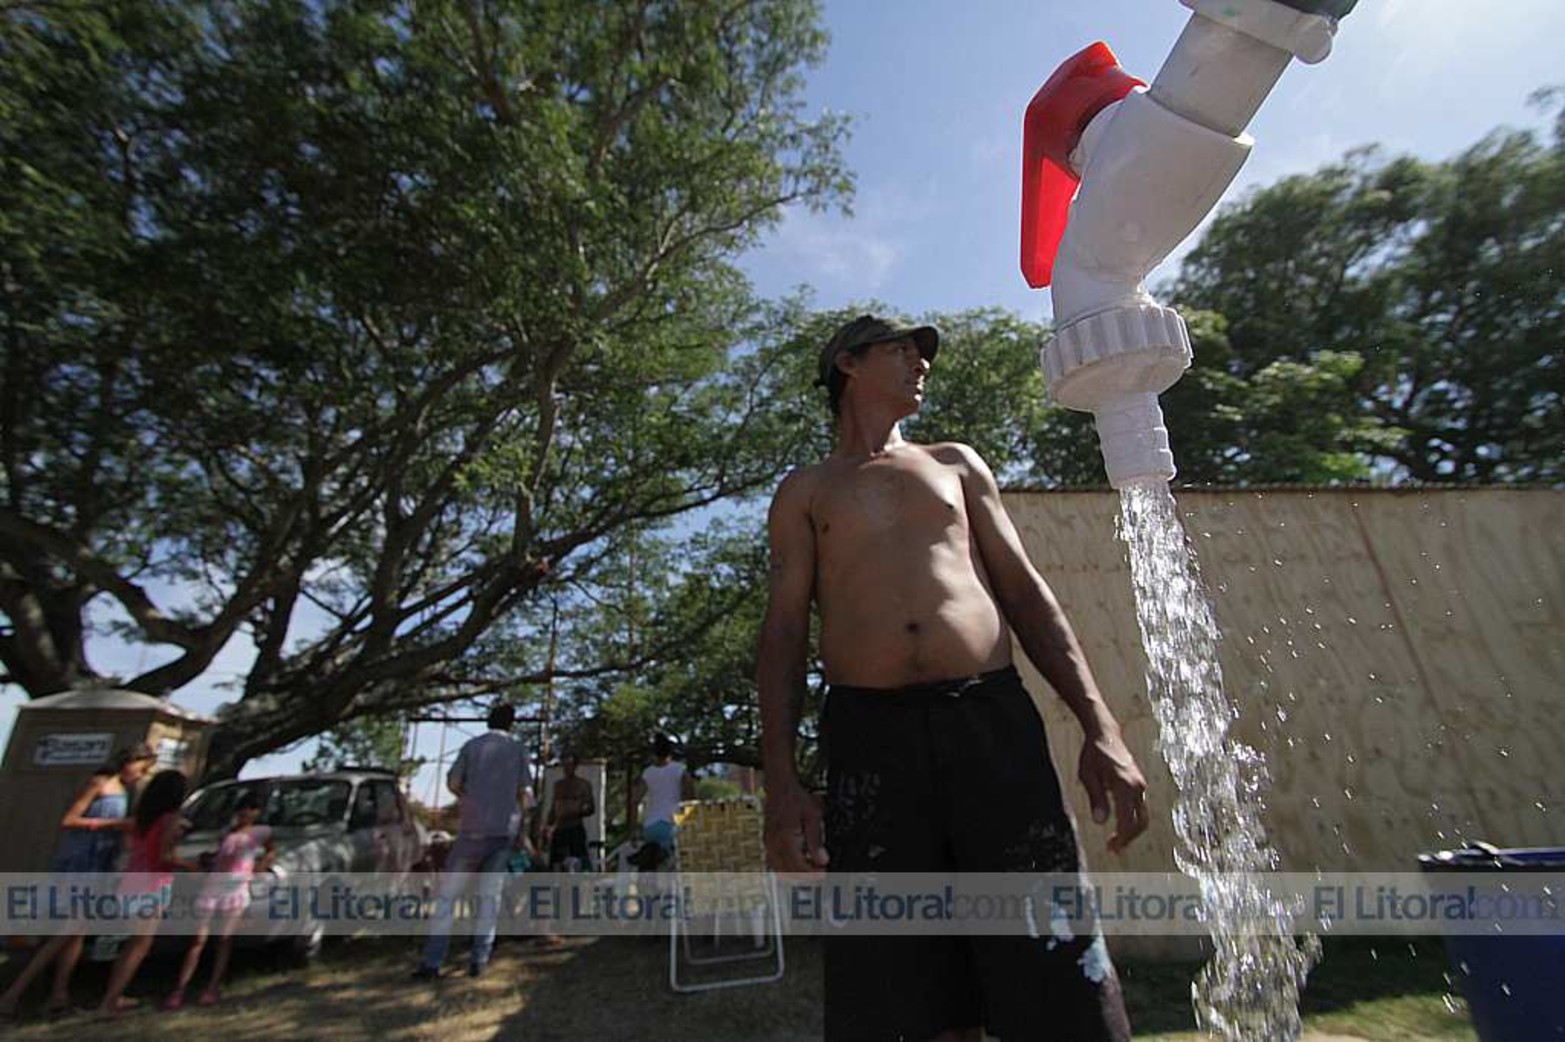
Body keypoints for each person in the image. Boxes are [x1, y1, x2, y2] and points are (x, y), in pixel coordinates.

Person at [758, 315, 1149, 1042]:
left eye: (920, 352)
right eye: (901, 350)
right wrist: (781, 787)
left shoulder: (954, 465)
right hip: (870, 741)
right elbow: (782, 636)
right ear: (848, 363)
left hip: (989, 722)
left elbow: (1027, 597)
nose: (920, 363)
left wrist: (1102, 728)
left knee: (1050, 949)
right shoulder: (806, 491)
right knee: (898, 979)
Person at [0, 743, 157, 1021]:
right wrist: (111, 825)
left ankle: (58, 995)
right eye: (141, 767)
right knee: (67, 932)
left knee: (76, 934)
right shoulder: (99, 783)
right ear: (129, 761)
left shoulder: (124, 790)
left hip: (100, 863)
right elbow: (70, 819)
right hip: (80, 862)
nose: (141, 774)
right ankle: (13, 994)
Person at [412, 701, 530, 980]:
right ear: (511, 723)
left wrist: (469, 797)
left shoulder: (472, 747)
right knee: (489, 897)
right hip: (503, 832)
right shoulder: (518, 750)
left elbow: (453, 781)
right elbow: (525, 793)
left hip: (473, 831)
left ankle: (433, 960)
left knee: (448, 898)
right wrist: (521, 825)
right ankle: (479, 959)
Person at [97, 769, 200, 1018]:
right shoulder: (170, 818)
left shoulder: (143, 817)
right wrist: (192, 866)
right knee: (140, 946)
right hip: (152, 886)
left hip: (131, 881)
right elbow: (164, 857)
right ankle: (108, 1005)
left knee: (131, 944)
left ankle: (113, 995)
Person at [162, 790, 275, 1010]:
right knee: (198, 939)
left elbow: (271, 851)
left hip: (236, 887)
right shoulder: (228, 832)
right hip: (214, 885)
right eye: (243, 808)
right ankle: (180, 988)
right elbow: (219, 856)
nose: (246, 813)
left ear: (258, 812)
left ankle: (212, 986)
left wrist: (259, 868)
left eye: (251, 809)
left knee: (224, 938)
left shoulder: (261, 832)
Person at [633, 735, 694, 865]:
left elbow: (635, 800)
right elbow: (690, 799)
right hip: (672, 824)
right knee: (672, 865)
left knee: (652, 863)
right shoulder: (680, 770)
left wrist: (632, 831)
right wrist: (684, 820)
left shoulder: (648, 773)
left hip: (650, 826)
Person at [544, 754, 595, 871]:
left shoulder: (583, 785)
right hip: (559, 829)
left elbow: (591, 808)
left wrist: (573, 812)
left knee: (578, 863)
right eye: (565, 765)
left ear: (575, 766)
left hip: (575, 828)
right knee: (556, 863)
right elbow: (554, 808)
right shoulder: (558, 785)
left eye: (570, 765)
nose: (567, 768)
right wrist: (547, 827)